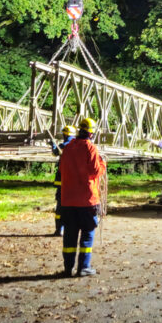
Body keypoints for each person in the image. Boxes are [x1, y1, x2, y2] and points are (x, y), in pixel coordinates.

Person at [58, 117, 107, 277]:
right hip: (87, 200)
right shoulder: (90, 148)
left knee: (70, 235)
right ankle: (83, 267)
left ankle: (68, 268)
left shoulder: (68, 148)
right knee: (87, 234)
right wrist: (103, 163)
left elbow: (62, 169)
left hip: (68, 200)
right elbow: (95, 171)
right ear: (91, 133)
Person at [49, 122, 75, 236]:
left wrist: (53, 144)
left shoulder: (63, 145)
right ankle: (69, 229)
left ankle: (59, 229)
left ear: (65, 135)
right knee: (72, 206)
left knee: (60, 205)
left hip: (62, 180)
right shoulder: (77, 145)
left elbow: (55, 153)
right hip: (73, 181)